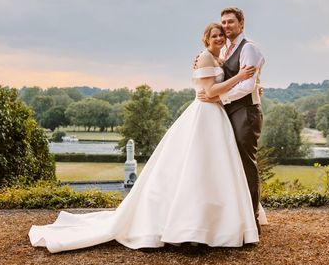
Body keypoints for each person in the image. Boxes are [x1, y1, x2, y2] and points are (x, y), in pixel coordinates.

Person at [29, 23, 261, 253]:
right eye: (215, 35)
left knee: (214, 170)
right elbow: (209, 92)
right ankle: (190, 228)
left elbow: (219, 87)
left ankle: (216, 224)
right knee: (195, 168)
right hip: (205, 115)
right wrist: (240, 76)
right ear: (206, 38)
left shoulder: (217, 58)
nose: (219, 38)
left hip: (216, 116)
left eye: (221, 34)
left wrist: (251, 86)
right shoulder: (204, 58)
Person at [198, 7, 265, 233]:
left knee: (246, 165)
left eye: (230, 22)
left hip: (246, 113)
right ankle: (234, 217)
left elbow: (247, 84)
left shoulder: (250, 49)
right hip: (229, 112)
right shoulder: (225, 50)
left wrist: (217, 97)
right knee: (230, 164)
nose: (226, 27)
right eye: (223, 23)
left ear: (241, 23)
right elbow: (216, 73)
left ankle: (252, 219)